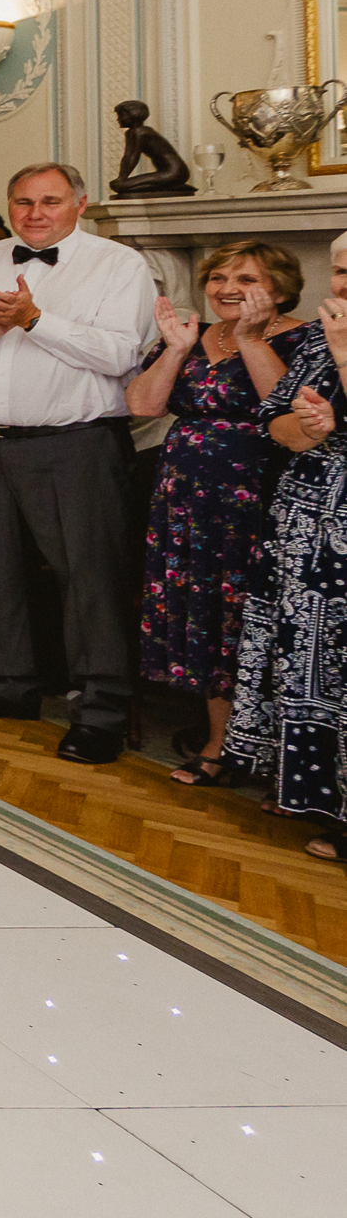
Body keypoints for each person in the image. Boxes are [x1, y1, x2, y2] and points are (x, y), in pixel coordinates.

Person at [0, 162, 156, 763]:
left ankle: (100, 709)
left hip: (75, 443)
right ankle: (10, 684)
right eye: (22, 202)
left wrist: (35, 321)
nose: (35, 213)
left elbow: (120, 352)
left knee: (88, 577)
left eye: (50, 200)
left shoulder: (117, 265)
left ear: (80, 203)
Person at [130, 242, 307, 784]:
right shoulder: (196, 332)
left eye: (246, 279)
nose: (228, 287)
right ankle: (220, 743)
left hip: (257, 499)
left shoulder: (307, 337)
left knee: (251, 620)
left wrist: (252, 340)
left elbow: (285, 408)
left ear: (278, 289)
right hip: (185, 501)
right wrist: (178, 350)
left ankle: (279, 760)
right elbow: (142, 405)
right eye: (219, 276)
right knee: (207, 615)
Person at [228, 282, 347, 860]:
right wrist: (312, 430)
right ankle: (323, 802)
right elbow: (276, 417)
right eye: (338, 270)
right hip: (305, 526)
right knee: (311, 662)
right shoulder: (320, 338)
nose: (340, 283)